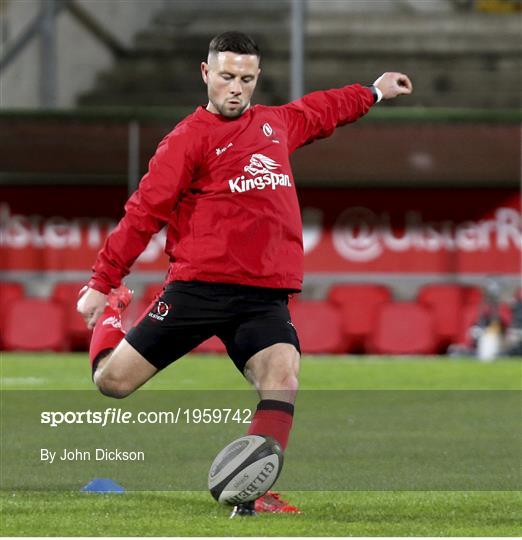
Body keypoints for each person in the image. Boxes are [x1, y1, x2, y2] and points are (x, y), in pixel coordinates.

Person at [77, 31, 413, 515]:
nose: (236, 87)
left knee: (283, 377)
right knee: (112, 384)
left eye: (247, 79)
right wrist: (101, 284)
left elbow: (323, 109)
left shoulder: (276, 124)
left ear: (257, 79)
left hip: (262, 296)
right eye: (227, 76)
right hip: (198, 289)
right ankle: (114, 316)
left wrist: (375, 91)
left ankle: (253, 493)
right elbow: (143, 213)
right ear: (206, 74)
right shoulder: (186, 140)